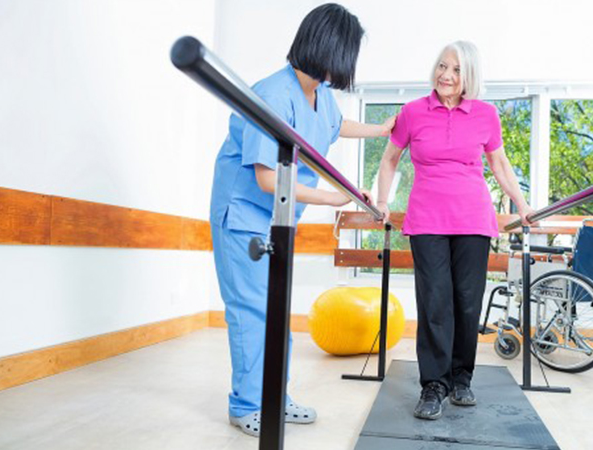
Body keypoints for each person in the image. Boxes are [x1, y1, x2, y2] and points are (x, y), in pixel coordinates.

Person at [210, 3, 393, 437]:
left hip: (277, 219)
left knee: (277, 311)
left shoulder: (318, 93)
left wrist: (381, 129)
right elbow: (267, 177)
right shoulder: (273, 94)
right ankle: (245, 404)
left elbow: (335, 125)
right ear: (329, 48)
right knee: (252, 311)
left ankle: (274, 395)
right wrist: (334, 197)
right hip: (243, 214)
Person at [376, 40, 532, 420]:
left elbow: (500, 164)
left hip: (473, 220)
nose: (446, 75)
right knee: (434, 302)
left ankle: (461, 378)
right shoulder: (413, 112)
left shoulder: (486, 115)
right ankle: (434, 384)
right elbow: (390, 160)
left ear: (469, 77)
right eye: (442, 67)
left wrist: (523, 205)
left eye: (456, 70)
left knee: (466, 301)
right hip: (427, 219)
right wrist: (382, 201)